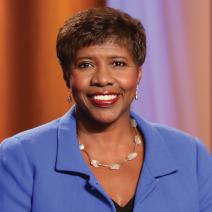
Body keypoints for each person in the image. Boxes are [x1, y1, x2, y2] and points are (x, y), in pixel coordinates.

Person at [0, 7, 212, 212]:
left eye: (118, 63)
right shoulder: (19, 157)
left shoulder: (191, 155)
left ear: (138, 74)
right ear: (67, 76)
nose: (102, 79)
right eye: (86, 65)